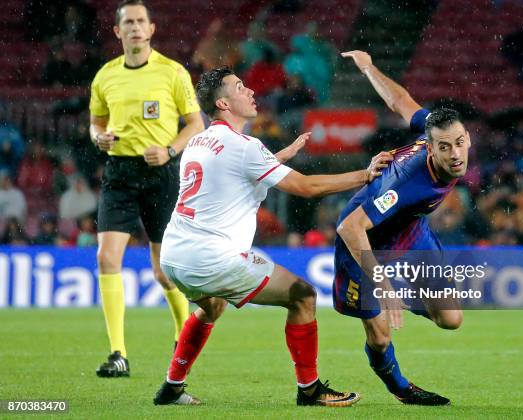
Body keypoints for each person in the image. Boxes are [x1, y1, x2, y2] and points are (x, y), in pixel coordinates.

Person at [152, 66, 392, 406]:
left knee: (210, 306)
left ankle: (171, 387)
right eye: (239, 87)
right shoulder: (246, 146)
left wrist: (276, 160)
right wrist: (365, 175)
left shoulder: (197, 142)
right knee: (303, 296)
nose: (249, 91)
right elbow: (306, 187)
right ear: (223, 103)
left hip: (175, 257)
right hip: (212, 258)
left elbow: (235, 176)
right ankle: (310, 390)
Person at [334, 50, 466, 406]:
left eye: (460, 142)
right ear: (432, 150)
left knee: (451, 319)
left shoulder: (439, 133)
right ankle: (401, 389)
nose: (456, 154)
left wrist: (368, 67)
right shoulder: (407, 181)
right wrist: (382, 282)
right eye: (445, 147)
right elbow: (350, 226)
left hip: (408, 231)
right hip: (363, 241)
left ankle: (403, 301)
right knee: (379, 338)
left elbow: (399, 100)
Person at [89, 0, 205, 378]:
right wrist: (99, 137)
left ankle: (181, 335)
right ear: (117, 31)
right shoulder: (105, 76)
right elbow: (95, 123)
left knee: (163, 272)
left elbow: (196, 126)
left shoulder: (172, 73)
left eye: (142, 21)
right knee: (107, 259)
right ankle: (117, 353)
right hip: (119, 171)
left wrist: (170, 149)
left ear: (152, 30)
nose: (136, 27)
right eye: (129, 22)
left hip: (161, 174)